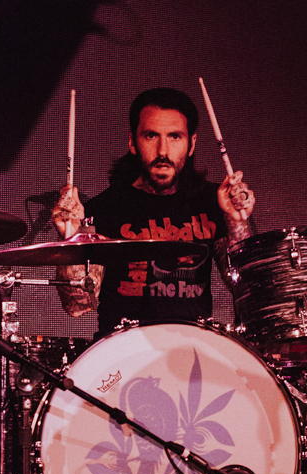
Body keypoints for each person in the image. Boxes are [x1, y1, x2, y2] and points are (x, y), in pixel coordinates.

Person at [50, 87, 255, 335]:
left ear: (191, 144)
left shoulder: (213, 201)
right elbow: (78, 306)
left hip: (192, 348)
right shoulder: (104, 209)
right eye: (151, 136)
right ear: (132, 142)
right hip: (122, 350)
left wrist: (235, 222)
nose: (163, 151)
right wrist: (71, 238)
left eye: (175, 137)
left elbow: (245, 286)